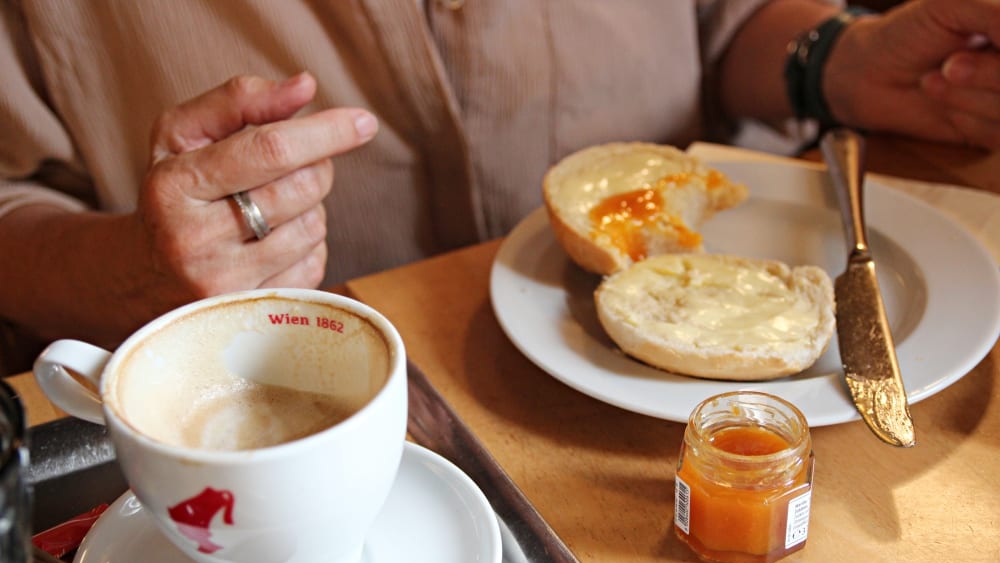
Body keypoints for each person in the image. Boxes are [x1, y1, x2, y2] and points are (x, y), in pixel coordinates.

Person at [1, 0, 998, 375]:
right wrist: (133, 268)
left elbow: (724, 22)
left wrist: (837, 63)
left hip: (707, 435)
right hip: (283, 435)